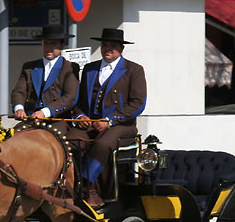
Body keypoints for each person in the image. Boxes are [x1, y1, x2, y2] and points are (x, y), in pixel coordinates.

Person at [66, 28, 147, 207]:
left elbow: (138, 103)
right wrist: (80, 115)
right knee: (69, 141)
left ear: (121, 48)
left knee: (102, 144)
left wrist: (110, 120)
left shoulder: (134, 70)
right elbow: (78, 102)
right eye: (104, 45)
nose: (107, 49)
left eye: (112, 45)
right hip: (90, 124)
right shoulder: (89, 69)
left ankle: (87, 187)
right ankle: (67, 184)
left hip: (122, 125)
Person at [11, 24, 79, 135]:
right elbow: (19, 91)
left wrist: (45, 112)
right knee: (11, 139)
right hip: (31, 119)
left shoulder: (69, 67)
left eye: (53, 44)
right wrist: (19, 108)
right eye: (46, 43)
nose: (49, 48)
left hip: (57, 120)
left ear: (62, 45)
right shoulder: (29, 67)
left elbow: (70, 97)